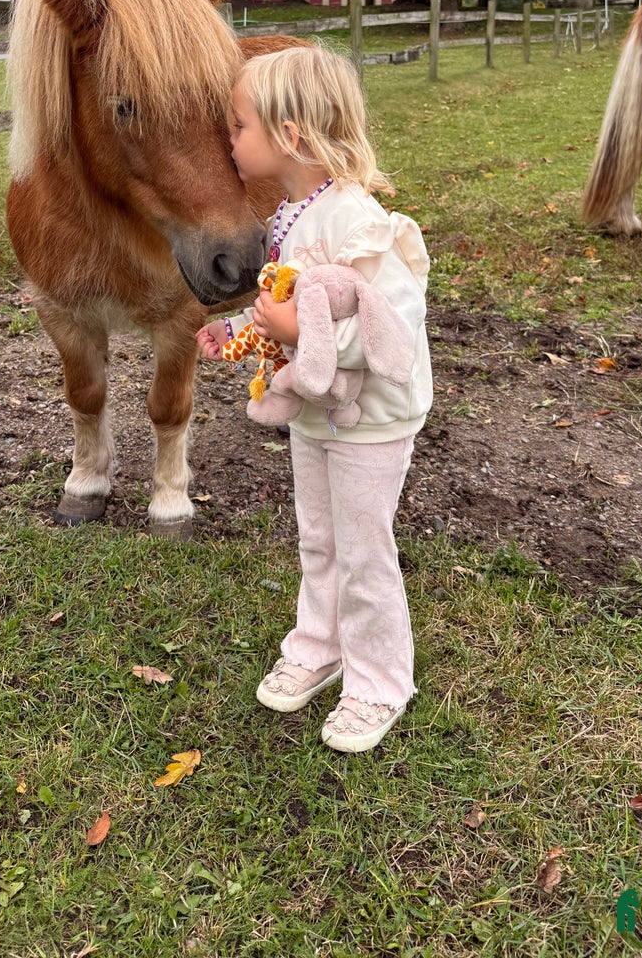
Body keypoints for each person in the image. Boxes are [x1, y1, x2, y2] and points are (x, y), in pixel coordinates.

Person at [196, 46, 432, 753]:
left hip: (372, 418)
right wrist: (239, 329)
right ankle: (319, 644)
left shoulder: (357, 220)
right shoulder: (294, 214)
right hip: (315, 410)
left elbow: (392, 320)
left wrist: (298, 330)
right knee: (320, 536)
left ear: (290, 135)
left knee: (364, 548)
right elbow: (286, 295)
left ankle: (380, 682)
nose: (228, 140)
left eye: (238, 127)